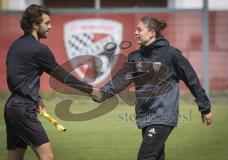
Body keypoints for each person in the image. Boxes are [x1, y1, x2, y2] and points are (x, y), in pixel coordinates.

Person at [92, 16, 213, 160]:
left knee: (146, 157)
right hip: (145, 117)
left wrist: (205, 107)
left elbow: (191, 79)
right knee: (157, 157)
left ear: (152, 33)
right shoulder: (134, 57)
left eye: (140, 29)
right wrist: (102, 93)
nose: (136, 33)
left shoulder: (171, 54)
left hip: (163, 116)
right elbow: (120, 80)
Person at [4, 4, 98, 160]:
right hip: (24, 109)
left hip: (11, 107)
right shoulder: (39, 49)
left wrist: (36, 97)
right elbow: (62, 76)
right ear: (35, 24)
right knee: (47, 157)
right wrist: (90, 90)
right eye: (46, 23)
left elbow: (16, 78)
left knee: (14, 157)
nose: (50, 27)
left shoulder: (15, 46)